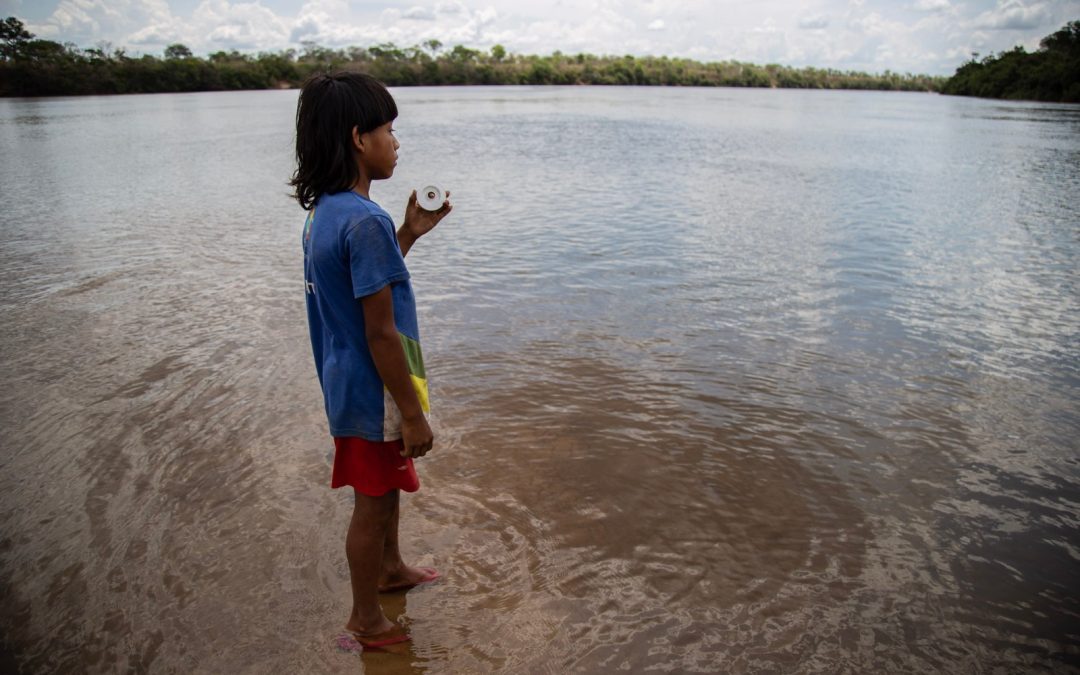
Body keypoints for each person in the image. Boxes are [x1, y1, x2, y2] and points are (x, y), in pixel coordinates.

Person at [290, 71, 452, 651]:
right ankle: (366, 620)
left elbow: (358, 290)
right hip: (376, 385)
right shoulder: (365, 221)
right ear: (360, 138)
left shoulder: (327, 214)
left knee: (380, 488)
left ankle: (391, 570)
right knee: (374, 501)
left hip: (345, 380)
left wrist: (407, 234)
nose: (396, 142)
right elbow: (381, 332)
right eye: (389, 130)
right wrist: (411, 413)